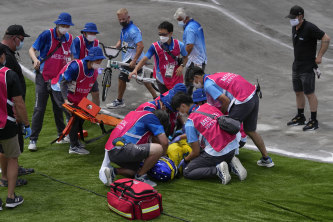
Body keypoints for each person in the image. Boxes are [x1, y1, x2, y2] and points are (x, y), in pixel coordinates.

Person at [189, 67, 274, 167]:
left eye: (193, 81)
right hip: (253, 95)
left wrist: (219, 116)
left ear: (197, 77)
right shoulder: (216, 75)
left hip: (243, 100)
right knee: (250, 131)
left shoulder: (208, 84)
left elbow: (225, 101)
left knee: (227, 128)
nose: (194, 84)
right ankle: (266, 159)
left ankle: (232, 161)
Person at [171, 92, 246, 184]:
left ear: (183, 106)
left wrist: (185, 160)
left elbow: (195, 152)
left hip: (218, 153)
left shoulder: (190, 122)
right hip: (233, 147)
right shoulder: (209, 106)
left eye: (179, 110)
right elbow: (209, 128)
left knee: (188, 172)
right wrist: (181, 136)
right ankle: (230, 163)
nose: (180, 113)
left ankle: (218, 170)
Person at [28, 12, 74, 151]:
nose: (65, 28)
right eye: (63, 25)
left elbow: (71, 55)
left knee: (59, 108)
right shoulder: (47, 34)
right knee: (39, 109)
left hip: (58, 80)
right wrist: (36, 60)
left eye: (67, 25)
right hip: (43, 77)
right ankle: (33, 140)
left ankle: (61, 135)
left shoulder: (69, 38)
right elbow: (32, 49)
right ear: (57, 24)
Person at [51, 47, 105, 154]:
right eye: (98, 60)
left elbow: (95, 91)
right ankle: (73, 146)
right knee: (75, 116)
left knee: (84, 113)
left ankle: (74, 139)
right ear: (91, 59)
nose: (100, 62)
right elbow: (63, 83)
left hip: (75, 95)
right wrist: (65, 100)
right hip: (60, 91)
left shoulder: (93, 72)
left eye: (101, 60)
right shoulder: (75, 67)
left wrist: (94, 111)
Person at [285, 5, 330, 131]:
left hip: (307, 67)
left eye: (294, 17)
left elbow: (326, 38)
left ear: (301, 16)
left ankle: (313, 120)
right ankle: (300, 117)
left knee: (309, 93)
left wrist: (319, 56)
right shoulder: (295, 27)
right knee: (298, 92)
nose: (291, 20)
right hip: (297, 65)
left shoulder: (310, 27)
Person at [99, 109, 170, 187]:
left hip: (112, 152)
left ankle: (113, 171)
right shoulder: (152, 118)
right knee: (158, 149)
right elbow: (165, 142)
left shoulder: (135, 113)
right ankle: (140, 177)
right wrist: (163, 157)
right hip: (121, 149)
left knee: (140, 169)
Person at [0, 25, 34, 176]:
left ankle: (12, 171)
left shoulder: (7, 53)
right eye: (21, 39)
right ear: (14, 38)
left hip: (8, 109)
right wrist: (20, 117)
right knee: (7, 146)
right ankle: (6, 176)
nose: (22, 42)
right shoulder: (5, 56)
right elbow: (6, 86)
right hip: (8, 110)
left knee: (12, 146)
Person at [107, 8, 157, 108]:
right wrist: (114, 47)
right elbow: (121, 41)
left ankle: (119, 100)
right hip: (129, 58)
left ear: (128, 17)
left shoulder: (133, 31)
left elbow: (141, 46)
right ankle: (156, 98)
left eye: (123, 19)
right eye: (119, 19)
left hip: (133, 59)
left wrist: (134, 61)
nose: (121, 21)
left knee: (122, 78)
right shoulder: (125, 29)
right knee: (143, 79)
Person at [0, 45, 31, 209]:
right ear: (2, 57)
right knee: (12, 157)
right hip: (7, 124)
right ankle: (11, 197)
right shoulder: (9, 74)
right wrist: (26, 124)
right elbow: (19, 103)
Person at [130, 21, 188, 94]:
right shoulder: (154, 47)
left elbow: (186, 57)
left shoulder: (179, 45)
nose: (161, 37)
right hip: (161, 80)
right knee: (165, 102)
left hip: (176, 78)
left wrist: (182, 66)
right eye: (160, 34)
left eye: (164, 34)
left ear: (170, 33)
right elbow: (144, 59)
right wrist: (135, 69)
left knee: (177, 101)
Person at [174, 8, 207, 95]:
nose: (179, 22)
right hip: (201, 59)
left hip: (194, 62)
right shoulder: (195, 24)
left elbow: (190, 46)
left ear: (186, 18)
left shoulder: (189, 29)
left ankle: (188, 104)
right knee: (199, 85)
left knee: (190, 85)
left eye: (180, 20)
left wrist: (183, 61)